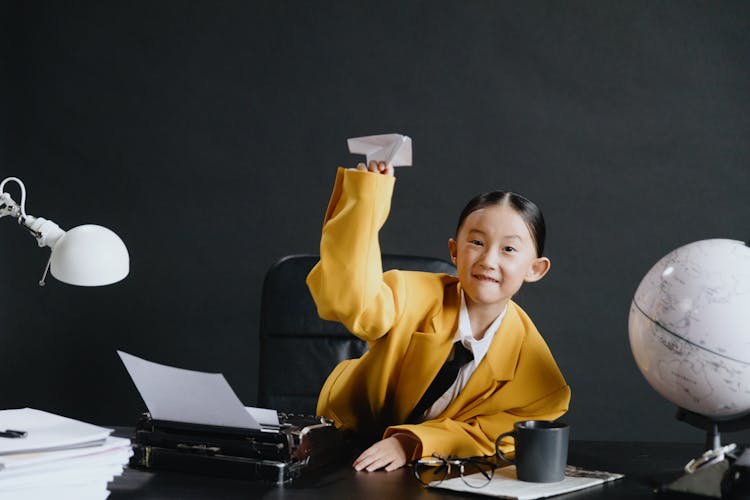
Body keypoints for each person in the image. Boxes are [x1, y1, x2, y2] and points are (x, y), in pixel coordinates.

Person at [306, 160, 570, 472]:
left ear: (534, 269)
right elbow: (349, 299)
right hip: (342, 440)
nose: (488, 260)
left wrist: (411, 443)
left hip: (426, 464)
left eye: (509, 249)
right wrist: (366, 197)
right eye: (476, 242)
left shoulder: (538, 375)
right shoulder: (407, 293)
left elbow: (494, 435)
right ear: (454, 251)